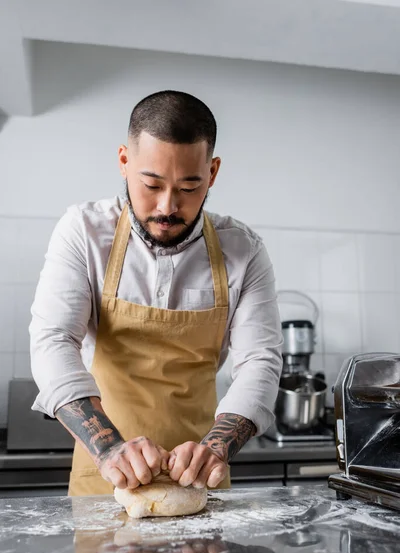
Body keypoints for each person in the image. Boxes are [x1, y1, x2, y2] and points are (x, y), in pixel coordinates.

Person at [29, 90, 283, 496]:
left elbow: (260, 360)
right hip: (105, 475)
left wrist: (215, 449)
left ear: (213, 173)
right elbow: (54, 340)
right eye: (151, 184)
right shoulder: (84, 231)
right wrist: (109, 448)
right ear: (124, 162)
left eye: (189, 187)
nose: (168, 207)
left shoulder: (243, 250)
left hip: (201, 476)